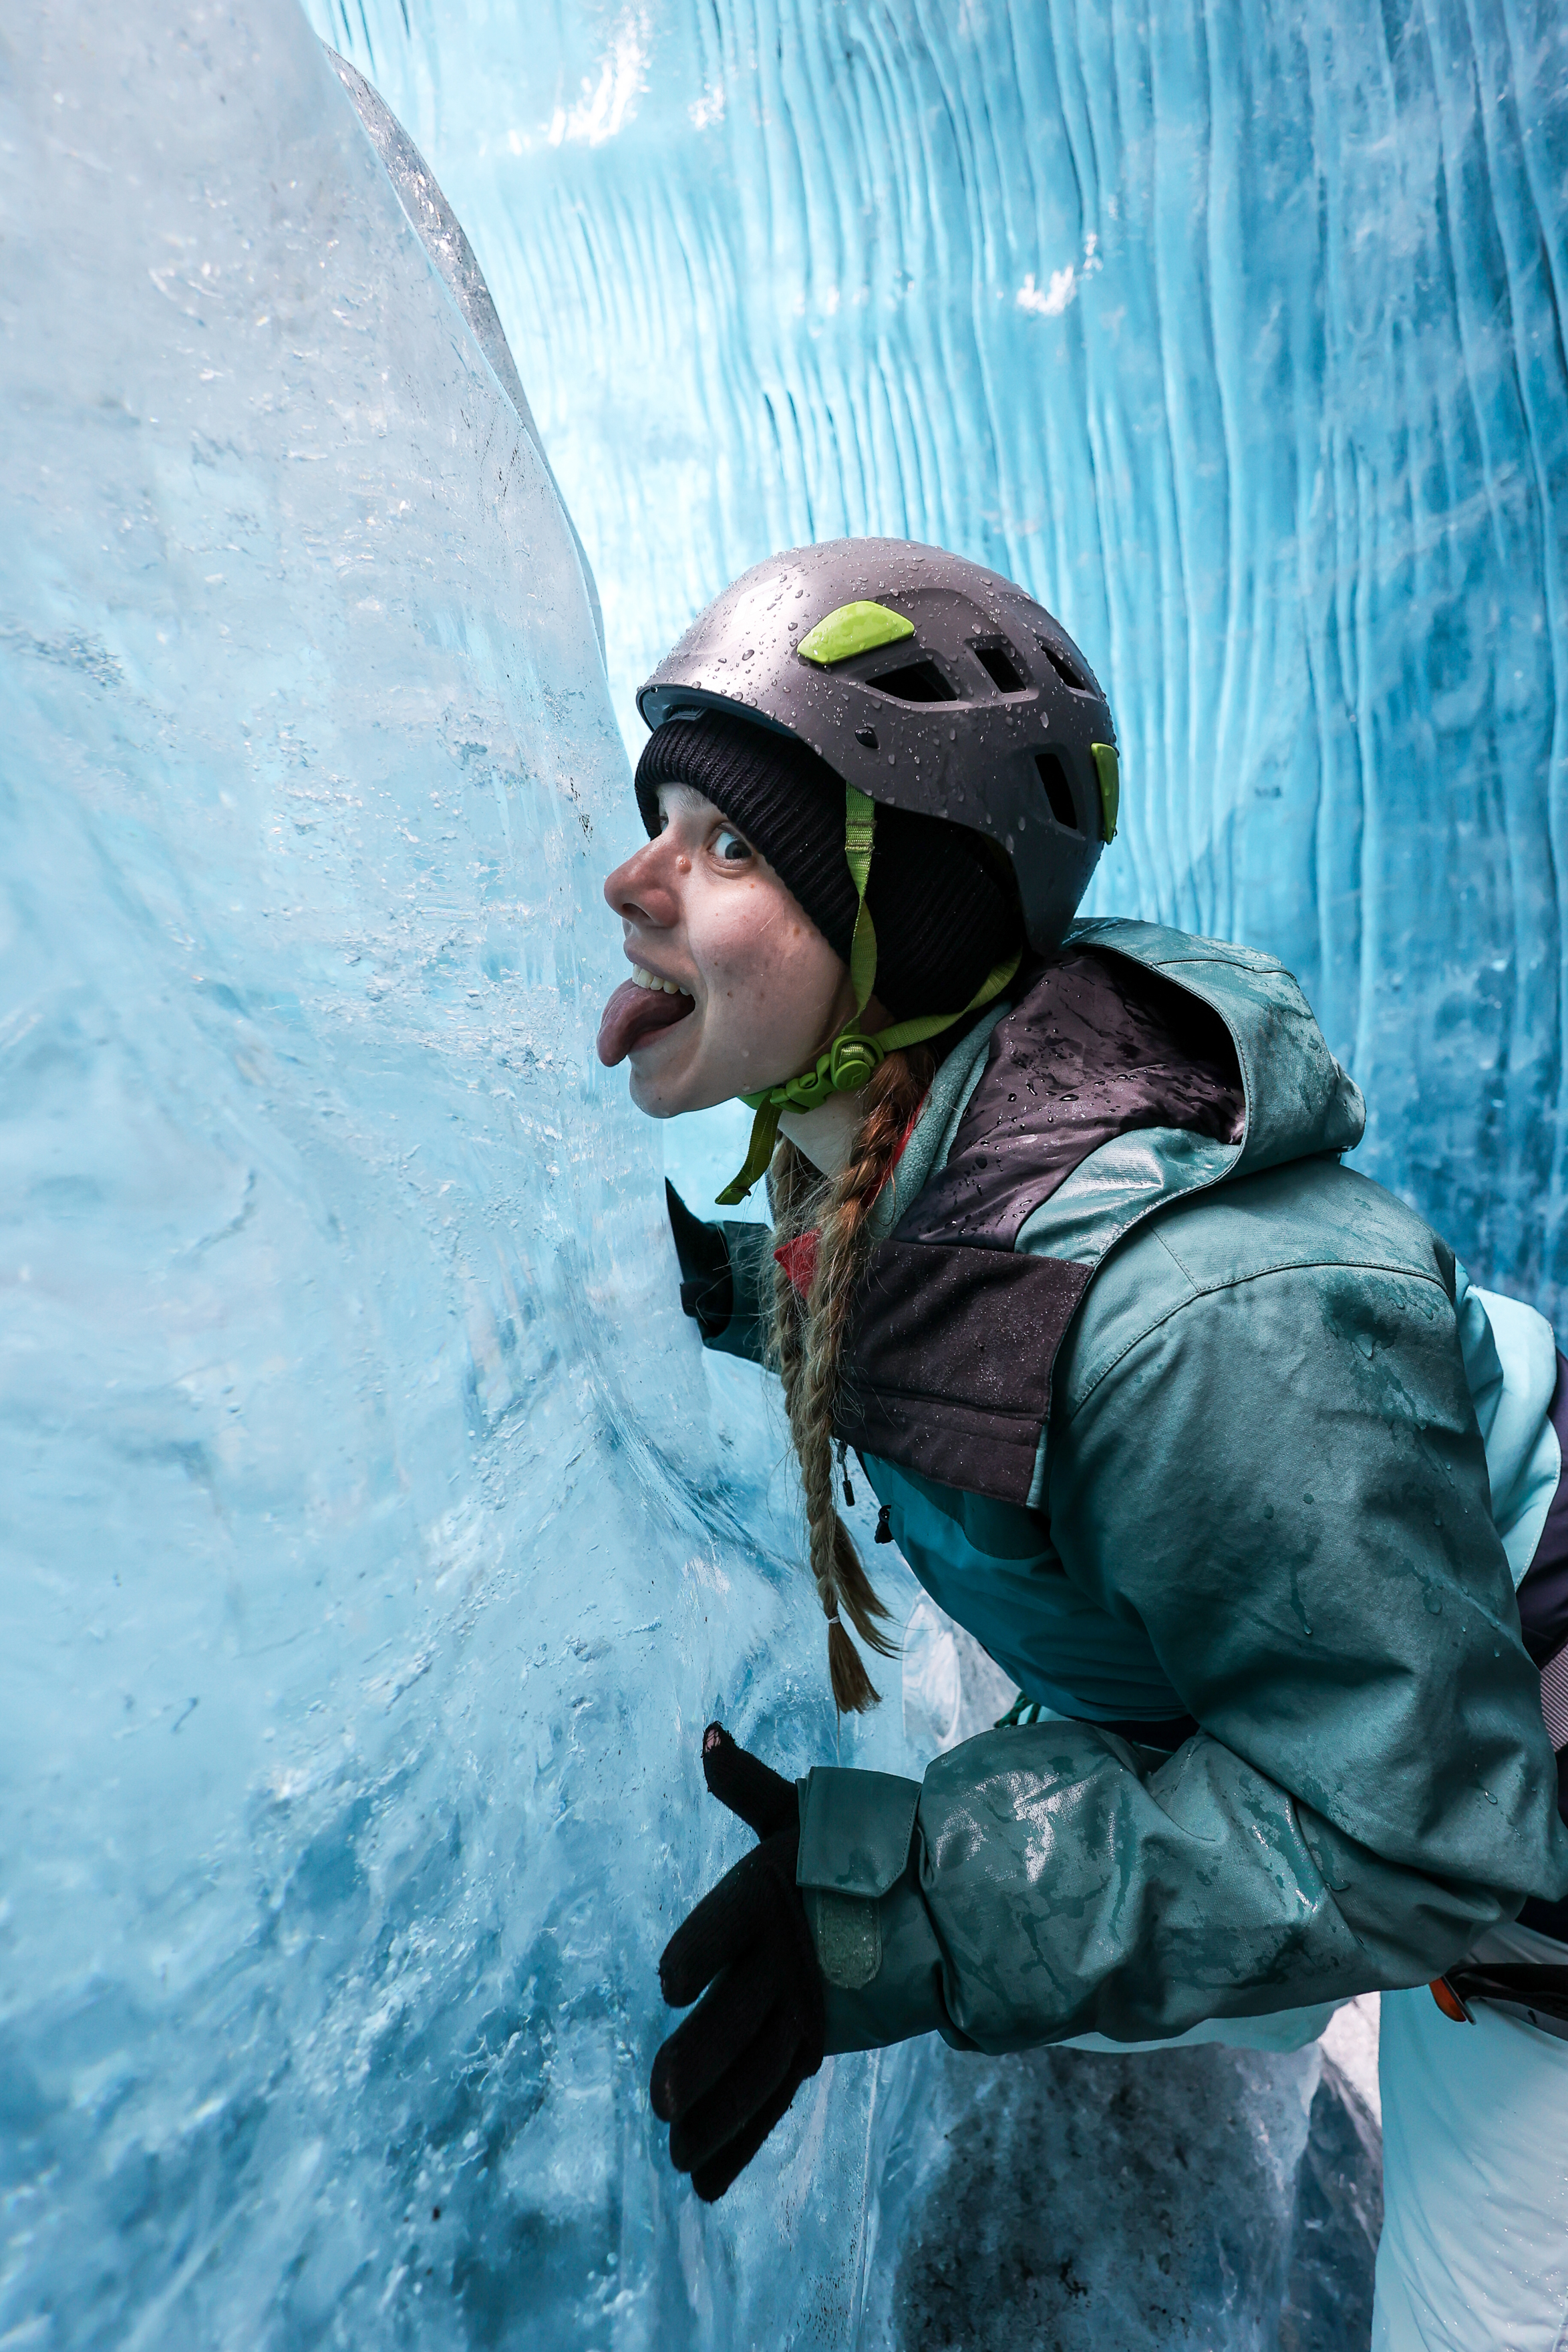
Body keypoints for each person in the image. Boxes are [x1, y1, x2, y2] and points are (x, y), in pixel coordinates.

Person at [597, 539, 1568, 2349]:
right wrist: (689, 1288)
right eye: (657, 820)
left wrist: (925, 1908)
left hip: (1517, 1878)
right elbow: (948, 1309)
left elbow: (1426, 1842)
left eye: (728, 845)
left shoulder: (1213, 1314)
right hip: (1346, 1712)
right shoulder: (921, 1144)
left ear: (916, 923)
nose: (630, 882)